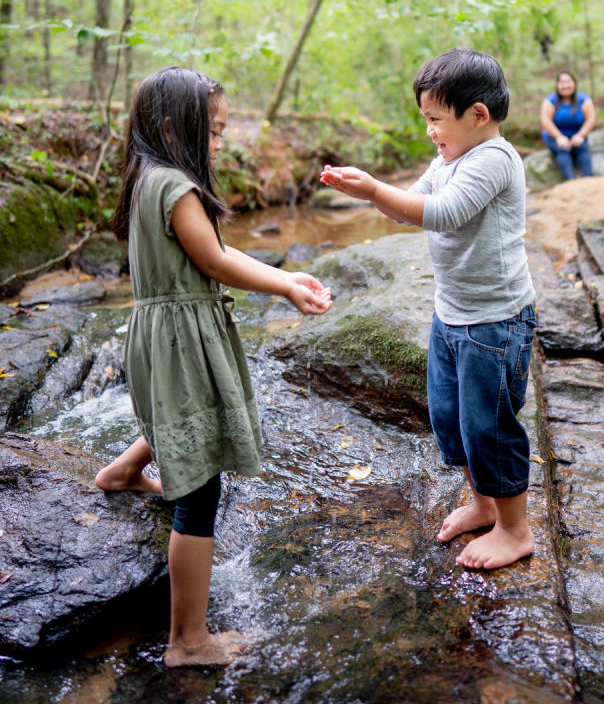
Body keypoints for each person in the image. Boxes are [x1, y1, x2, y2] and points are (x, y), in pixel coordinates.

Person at [94, 67, 332, 668]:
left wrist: (285, 274)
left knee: (184, 419)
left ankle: (121, 472)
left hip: (163, 335)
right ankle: (188, 642)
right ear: (176, 128)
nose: (221, 143)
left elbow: (218, 251)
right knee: (200, 489)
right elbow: (214, 262)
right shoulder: (175, 184)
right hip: (180, 338)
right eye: (216, 131)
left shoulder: (149, 178)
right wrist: (284, 291)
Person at [320, 48, 536, 571]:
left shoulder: (494, 160)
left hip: (495, 321)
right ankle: (483, 503)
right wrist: (369, 191)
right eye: (426, 120)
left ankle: (515, 529)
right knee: (453, 418)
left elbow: (442, 213)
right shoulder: (447, 159)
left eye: (435, 120)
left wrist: (374, 188)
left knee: (490, 425)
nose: (429, 132)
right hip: (453, 314)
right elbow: (407, 209)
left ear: (477, 115)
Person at [540, 70, 596, 179]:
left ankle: (589, 178)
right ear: (557, 85)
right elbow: (545, 120)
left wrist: (581, 135)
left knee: (583, 148)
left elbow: (591, 119)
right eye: (562, 82)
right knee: (563, 149)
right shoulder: (550, 100)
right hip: (554, 137)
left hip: (577, 135)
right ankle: (570, 180)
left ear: (574, 83)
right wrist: (559, 137)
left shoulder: (584, 99)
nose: (565, 85)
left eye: (568, 82)